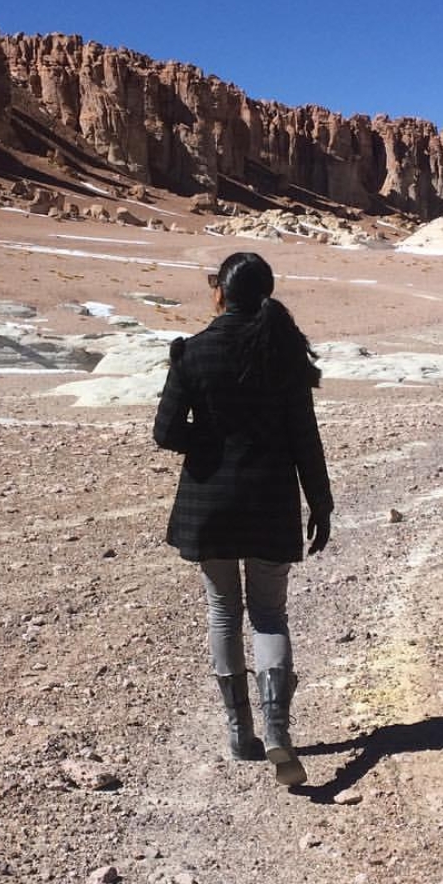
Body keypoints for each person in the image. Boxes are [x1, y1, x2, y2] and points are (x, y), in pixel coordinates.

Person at [152, 251, 333, 787]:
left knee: (224, 612)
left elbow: (165, 432)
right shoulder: (283, 353)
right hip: (271, 500)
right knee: (270, 616)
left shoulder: (193, 353)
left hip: (209, 503)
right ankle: (278, 730)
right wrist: (320, 502)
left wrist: (207, 442)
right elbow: (306, 437)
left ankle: (241, 734)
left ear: (221, 294)